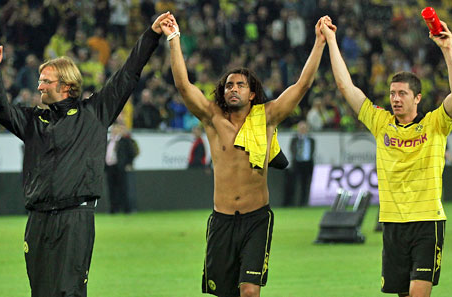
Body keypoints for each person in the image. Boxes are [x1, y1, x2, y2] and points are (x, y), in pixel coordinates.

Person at [0, 12, 172, 297]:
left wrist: (152, 34)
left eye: (46, 80)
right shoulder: (33, 121)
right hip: (38, 220)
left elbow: (128, 73)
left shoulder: (94, 113)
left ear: (66, 86)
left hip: (75, 219)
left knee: (69, 292)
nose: (39, 86)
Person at [161, 15, 328, 297]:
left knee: (250, 291)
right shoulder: (212, 118)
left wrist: (320, 42)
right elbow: (183, 85)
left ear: (252, 93)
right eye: (228, 85)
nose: (233, 89)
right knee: (224, 292)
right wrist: (173, 38)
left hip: (256, 219)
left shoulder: (267, 117)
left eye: (239, 85)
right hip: (222, 221)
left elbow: (302, 85)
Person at [320, 17, 452, 297]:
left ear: (418, 98)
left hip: (427, 221)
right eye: (392, 93)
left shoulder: (435, 124)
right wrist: (332, 41)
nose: (395, 99)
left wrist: (448, 51)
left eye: (402, 93)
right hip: (392, 223)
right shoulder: (381, 123)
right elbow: (345, 87)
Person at [105, 121, 139, 213]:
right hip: (110, 168)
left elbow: (132, 152)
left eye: (116, 129)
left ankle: (127, 209)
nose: (114, 131)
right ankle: (113, 209)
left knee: (123, 189)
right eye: (113, 129)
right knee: (112, 189)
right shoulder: (109, 141)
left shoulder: (125, 140)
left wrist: (128, 163)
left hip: (121, 167)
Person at [283, 120, 315, 207]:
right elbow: (291, 150)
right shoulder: (294, 139)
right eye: (301, 128)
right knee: (292, 184)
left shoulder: (311, 140)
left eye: (304, 128)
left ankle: (303, 203)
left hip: (307, 164)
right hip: (297, 163)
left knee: (305, 184)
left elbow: (312, 151)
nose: (303, 130)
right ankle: (290, 203)